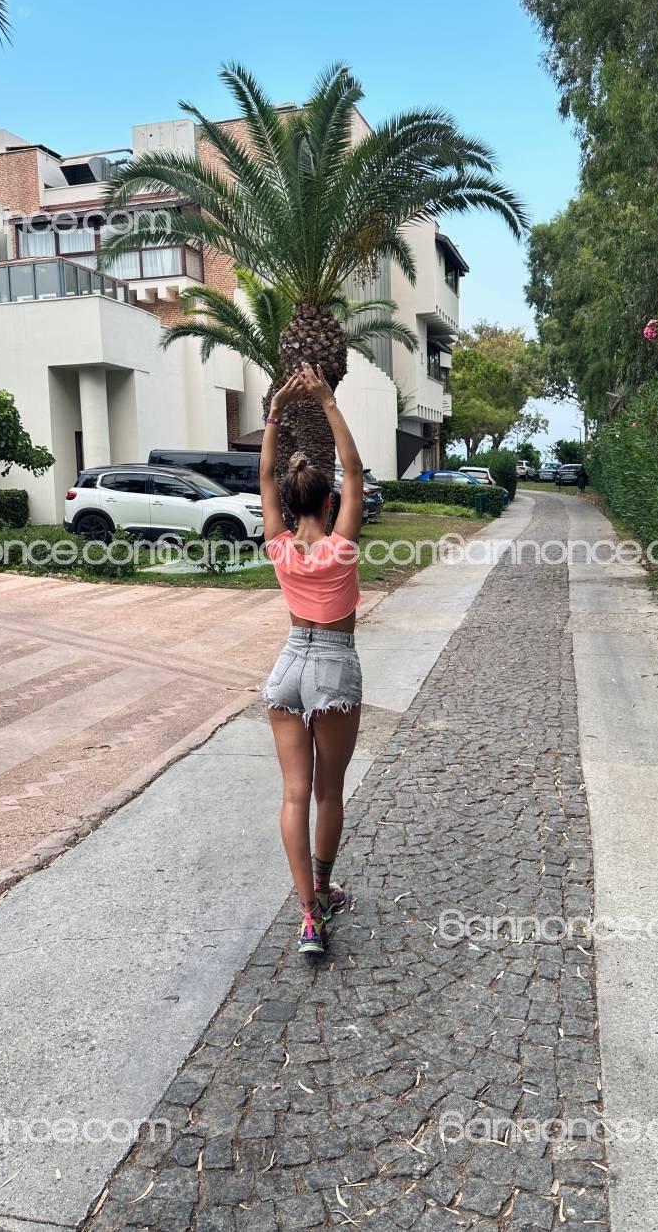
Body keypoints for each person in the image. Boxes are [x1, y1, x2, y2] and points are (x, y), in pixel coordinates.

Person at [259, 362, 364, 955]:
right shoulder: (340, 547)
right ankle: (323, 889)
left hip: (287, 666)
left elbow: (265, 477)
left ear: (290, 502)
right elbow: (354, 469)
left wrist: (275, 411)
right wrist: (326, 400)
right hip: (333, 665)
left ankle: (307, 916)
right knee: (328, 792)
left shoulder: (278, 546)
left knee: (293, 794)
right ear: (327, 501)